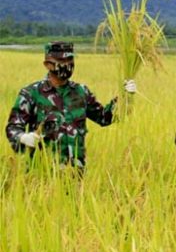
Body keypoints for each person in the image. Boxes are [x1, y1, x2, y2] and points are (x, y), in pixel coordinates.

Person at [5, 41, 136, 173]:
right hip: (42, 174)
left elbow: (104, 118)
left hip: (76, 174)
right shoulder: (31, 93)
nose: (66, 65)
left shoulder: (81, 92)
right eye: (61, 60)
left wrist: (125, 97)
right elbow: (12, 128)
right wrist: (23, 137)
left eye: (70, 59)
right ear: (48, 64)